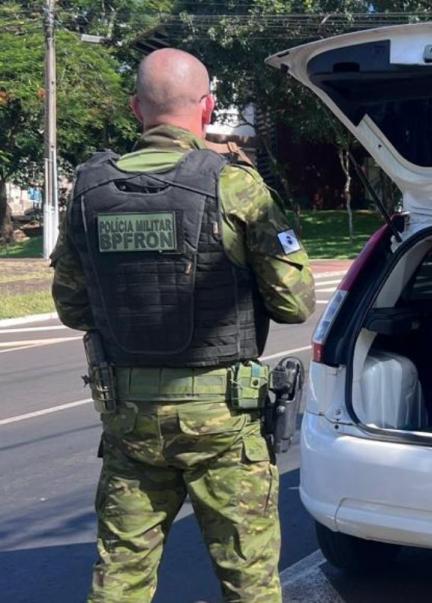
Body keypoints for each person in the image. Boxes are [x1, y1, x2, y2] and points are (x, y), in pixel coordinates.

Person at [50, 48, 315, 603]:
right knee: (249, 581)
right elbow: (294, 304)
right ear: (208, 106)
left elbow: (73, 309)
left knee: (120, 577)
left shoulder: (89, 192)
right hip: (223, 421)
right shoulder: (235, 185)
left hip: (130, 419)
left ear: (135, 108)